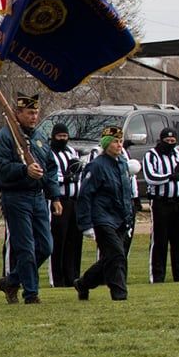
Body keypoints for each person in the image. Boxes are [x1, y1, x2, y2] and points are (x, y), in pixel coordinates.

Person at [0, 93, 59, 305]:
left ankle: (12, 280)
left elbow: (50, 167)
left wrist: (54, 196)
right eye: (30, 113)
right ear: (17, 113)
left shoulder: (38, 137)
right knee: (26, 247)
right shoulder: (5, 137)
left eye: (36, 112)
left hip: (37, 197)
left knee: (46, 246)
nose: (34, 117)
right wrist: (24, 170)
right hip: (16, 196)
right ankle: (31, 293)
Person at [75, 128, 132, 301]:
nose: (119, 145)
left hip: (119, 218)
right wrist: (86, 224)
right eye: (115, 141)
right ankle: (119, 293)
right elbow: (85, 195)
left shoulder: (122, 163)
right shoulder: (97, 166)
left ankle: (84, 283)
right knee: (116, 255)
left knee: (110, 258)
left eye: (121, 141)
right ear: (107, 144)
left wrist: (128, 218)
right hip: (103, 218)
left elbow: (125, 192)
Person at [141, 127, 179, 283]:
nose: (170, 143)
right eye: (167, 141)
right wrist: (170, 176)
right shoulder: (151, 155)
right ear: (161, 140)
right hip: (160, 202)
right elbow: (151, 177)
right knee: (160, 240)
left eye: (173, 141)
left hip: (177, 202)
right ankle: (157, 276)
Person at [47, 124, 87, 290]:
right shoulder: (49, 153)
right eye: (60, 136)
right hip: (59, 200)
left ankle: (73, 277)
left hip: (74, 200)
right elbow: (49, 175)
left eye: (65, 136)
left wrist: (77, 174)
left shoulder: (71, 151)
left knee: (75, 239)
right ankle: (57, 278)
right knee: (58, 239)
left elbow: (79, 170)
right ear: (54, 136)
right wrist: (66, 178)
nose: (63, 139)